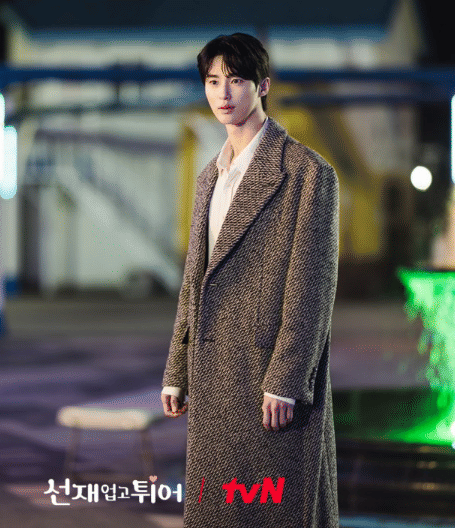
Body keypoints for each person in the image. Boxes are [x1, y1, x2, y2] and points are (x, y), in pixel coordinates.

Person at [161, 33, 340, 527]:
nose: (223, 94)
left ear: (263, 86)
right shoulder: (209, 177)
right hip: (213, 374)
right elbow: (195, 280)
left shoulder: (307, 174)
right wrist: (177, 368)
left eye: (236, 80)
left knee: (275, 510)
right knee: (217, 510)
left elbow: (312, 287)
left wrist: (287, 380)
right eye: (213, 81)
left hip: (267, 379)